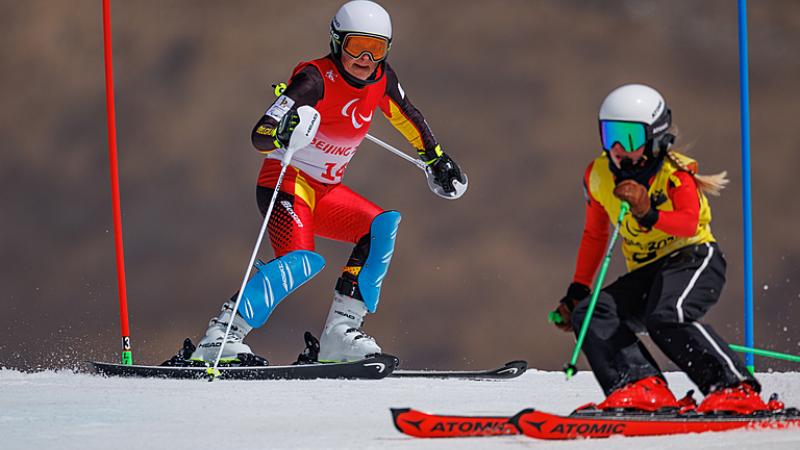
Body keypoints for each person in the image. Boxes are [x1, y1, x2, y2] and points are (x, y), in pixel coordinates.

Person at [182, 0, 465, 365]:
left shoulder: (381, 79)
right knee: (301, 261)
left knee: (381, 226)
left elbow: (407, 116)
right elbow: (261, 135)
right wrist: (283, 131)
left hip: (326, 193)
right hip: (286, 184)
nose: (365, 58)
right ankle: (221, 335)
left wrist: (435, 157)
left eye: (376, 49)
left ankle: (340, 334)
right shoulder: (314, 79)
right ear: (337, 42)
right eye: (355, 46)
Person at [553, 83, 778, 414]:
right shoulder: (597, 175)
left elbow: (688, 223)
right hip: (649, 272)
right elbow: (594, 234)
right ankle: (640, 386)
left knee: (667, 315)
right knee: (592, 313)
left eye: (630, 137)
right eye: (609, 134)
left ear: (654, 135)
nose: (617, 147)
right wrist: (576, 291)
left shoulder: (673, 173)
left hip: (694, 259)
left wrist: (649, 212)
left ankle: (733, 388)